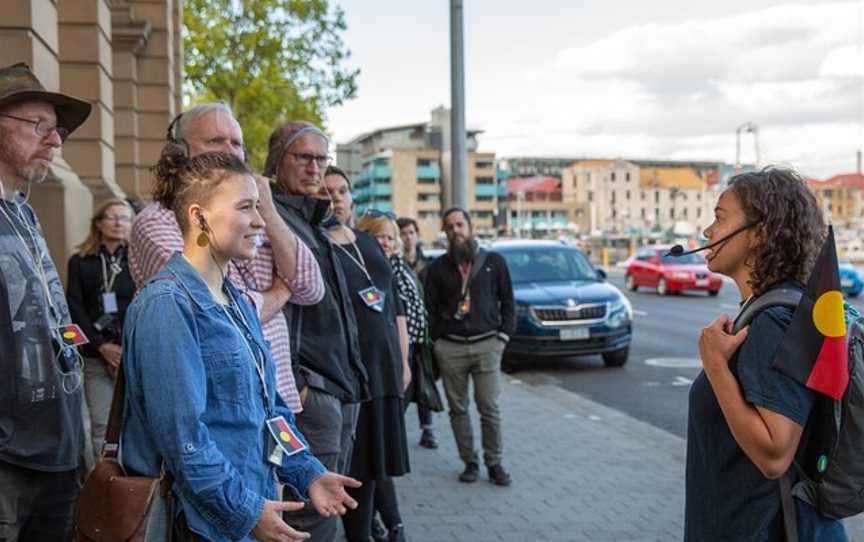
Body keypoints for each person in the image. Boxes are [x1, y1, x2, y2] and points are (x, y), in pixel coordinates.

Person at [121, 146, 361, 542]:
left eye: (259, 207)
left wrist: (307, 471)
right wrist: (246, 512)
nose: (260, 222)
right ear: (199, 216)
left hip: (251, 509)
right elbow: (185, 441)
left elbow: (271, 411)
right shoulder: (167, 306)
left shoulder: (235, 300)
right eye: (246, 208)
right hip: (201, 525)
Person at [685, 167, 847, 541]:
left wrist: (715, 366)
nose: (707, 232)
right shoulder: (769, 309)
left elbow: (775, 454)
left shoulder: (775, 321)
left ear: (759, 233)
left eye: (720, 218)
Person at [128, 103, 321, 414]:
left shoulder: (256, 215)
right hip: (216, 408)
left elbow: (311, 288)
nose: (231, 151)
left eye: (237, 143)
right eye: (216, 141)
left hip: (277, 399)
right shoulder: (157, 222)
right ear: (180, 151)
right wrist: (282, 291)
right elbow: (215, 311)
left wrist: (266, 208)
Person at [0, 62, 91, 541]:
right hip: (7, 462)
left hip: (56, 449)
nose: (54, 141)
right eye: (38, 126)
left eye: (57, 131)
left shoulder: (25, 215)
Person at [265, 123, 368, 541]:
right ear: (277, 160)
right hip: (312, 390)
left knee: (330, 506)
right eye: (302, 158)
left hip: (340, 387)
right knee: (310, 517)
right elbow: (268, 302)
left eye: (320, 159)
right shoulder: (271, 215)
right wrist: (300, 384)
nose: (314, 168)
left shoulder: (315, 219)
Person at [317, 167, 411, 542]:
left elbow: (392, 307)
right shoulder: (314, 245)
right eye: (327, 191)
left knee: (372, 468)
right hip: (346, 378)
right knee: (348, 470)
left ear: (352, 198)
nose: (336, 198)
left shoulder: (367, 242)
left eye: (342, 191)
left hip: (383, 373)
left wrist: (402, 362)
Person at [424, 207, 515, 486]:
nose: (456, 231)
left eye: (460, 225)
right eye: (450, 227)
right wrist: (438, 342)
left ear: (470, 227)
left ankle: (495, 462)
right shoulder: (438, 268)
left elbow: (509, 302)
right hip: (451, 349)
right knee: (458, 409)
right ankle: (470, 462)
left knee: (489, 406)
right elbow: (430, 309)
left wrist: (502, 338)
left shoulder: (494, 262)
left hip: (487, 344)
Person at [66, 198, 135, 465]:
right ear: (98, 223)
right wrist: (101, 347)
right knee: (101, 426)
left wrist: (125, 348)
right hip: (96, 354)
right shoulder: (81, 261)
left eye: (125, 217)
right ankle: (104, 487)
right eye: (112, 216)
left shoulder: (137, 261)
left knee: (133, 423)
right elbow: (74, 307)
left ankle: (131, 486)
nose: (118, 222)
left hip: (130, 353)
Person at [396, 216, 438, 449]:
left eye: (412, 232)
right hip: (405, 334)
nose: (408, 237)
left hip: (425, 333)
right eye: (403, 233)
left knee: (424, 378)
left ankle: (428, 429)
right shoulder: (395, 264)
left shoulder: (428, 265)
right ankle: (398, 427)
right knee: (406, 382)